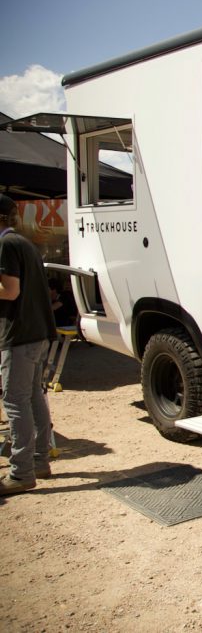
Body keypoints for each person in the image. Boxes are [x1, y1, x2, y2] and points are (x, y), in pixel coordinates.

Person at [0, 195, 58, 495]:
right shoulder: (24, 243)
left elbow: (10, 292)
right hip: (38, 332)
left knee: (14, 400)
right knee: (33, 396)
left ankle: (21, 472)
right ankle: (38, 462)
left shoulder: (6, 245)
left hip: (19, 334)